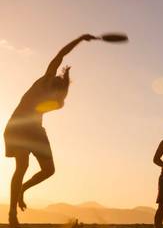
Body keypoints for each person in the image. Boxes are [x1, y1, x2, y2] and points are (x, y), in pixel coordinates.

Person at [4, 34, 97, 227]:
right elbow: (60, 55)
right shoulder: (46, 80)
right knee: (22, 167)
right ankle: (12, 213)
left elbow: (60, 102)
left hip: (35, 130)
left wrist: (65, 85)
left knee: (49, 170)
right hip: (18, 126)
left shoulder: (56, 100)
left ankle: (22, 189)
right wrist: (79, 39)